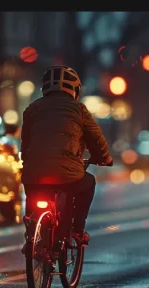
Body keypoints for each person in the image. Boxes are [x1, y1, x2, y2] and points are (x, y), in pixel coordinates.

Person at [19, 66, 113, 247]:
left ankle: (31, 236)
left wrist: (28, 162)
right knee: (87, 183)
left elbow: (26, 142)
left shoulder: (32, 109)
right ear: (75, 89)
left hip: (34, 171)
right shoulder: (78, 109)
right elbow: (96, 138)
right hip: (68, 173)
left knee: (33, 190)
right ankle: (77, 230)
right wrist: (103, 158)